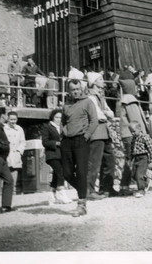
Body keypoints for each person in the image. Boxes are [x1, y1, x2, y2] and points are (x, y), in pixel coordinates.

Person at [61, 79, 98, 217]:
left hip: (81, 140)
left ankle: (81, 204)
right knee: (66, 173)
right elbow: (63, 122)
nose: (75, 92)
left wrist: (86, 136)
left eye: (77, 89)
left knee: (81, 172)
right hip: (67, 142)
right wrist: (63, 134)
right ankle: (84, 190)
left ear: (80, 89)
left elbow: (94, 120)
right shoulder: (66, 105)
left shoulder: (88, 102)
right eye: (72, 89)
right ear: (69, 91)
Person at [86, 72, 116, 200]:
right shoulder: (90, 98)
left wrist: (106, 113)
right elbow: (99, 115)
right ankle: (89, 190)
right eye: (100, 79)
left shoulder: (100, 97)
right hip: (96, 132)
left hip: (104, 131)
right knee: (94, 162)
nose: (103, 81)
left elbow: (111, 113)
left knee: (109, 161)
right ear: (94, 82)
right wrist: (106, 113)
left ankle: (107, 188)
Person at [119, 79, 149, 195]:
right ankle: (138, 185)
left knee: (130, 160)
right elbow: (136, 120)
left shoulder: (124, 100)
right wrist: (143, 134)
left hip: (126, 134)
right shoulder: (131, 101)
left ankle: (124, 186)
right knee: (137, 160)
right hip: (132, 135)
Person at [42, 108, 72, 205]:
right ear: (52, 117)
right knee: (60, 172)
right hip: (52, 154)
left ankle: (51, 195)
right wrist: (57, 143)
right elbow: (45, 142)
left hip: (62, 154)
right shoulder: (47, 127)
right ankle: (61, 194)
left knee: (56, 174)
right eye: (56, 117)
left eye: (60, 117)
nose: (58, 119)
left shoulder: (63, 127)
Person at [129, 121, 152, 198]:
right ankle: (147, 178)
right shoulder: (133, 139)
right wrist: (130, 159)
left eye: (134, 131)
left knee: (139, 174)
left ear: (139, 129)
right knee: (134, 174)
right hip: (136, 158)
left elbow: (151, 150)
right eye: (131, 132)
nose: (133, 133)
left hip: (143, 158)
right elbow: (132, 149)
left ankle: (141, 190)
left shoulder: (145, 137)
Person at [4, 111, 26, 194]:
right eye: (11, 119)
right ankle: (5, 189)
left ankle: (13, 189)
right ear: (8, 119)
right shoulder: (4, 128)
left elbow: (23, 142)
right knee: (6, 170)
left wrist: (19, 151)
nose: (13, 121)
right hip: (7, 153)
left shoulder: (19, 129)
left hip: (15, 153)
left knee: (14, 169)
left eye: (14, 119)